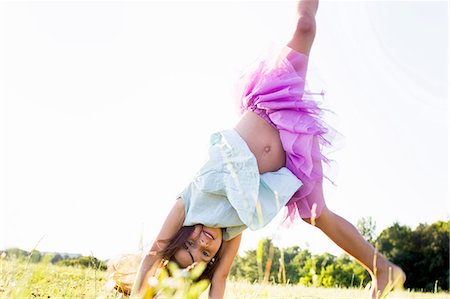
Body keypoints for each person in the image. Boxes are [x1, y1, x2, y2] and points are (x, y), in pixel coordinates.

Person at [113, 0, 406, 298]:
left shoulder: (185, 205)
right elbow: (219, 282)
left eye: (189, 243)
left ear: (180, 235)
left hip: (273, 100)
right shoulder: (230, 232)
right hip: (295, 149)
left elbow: (153, 254)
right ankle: (383, 269)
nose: (202, 243)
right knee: (316, 214)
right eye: (202, 254)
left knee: (304, 27)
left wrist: (139, 296)